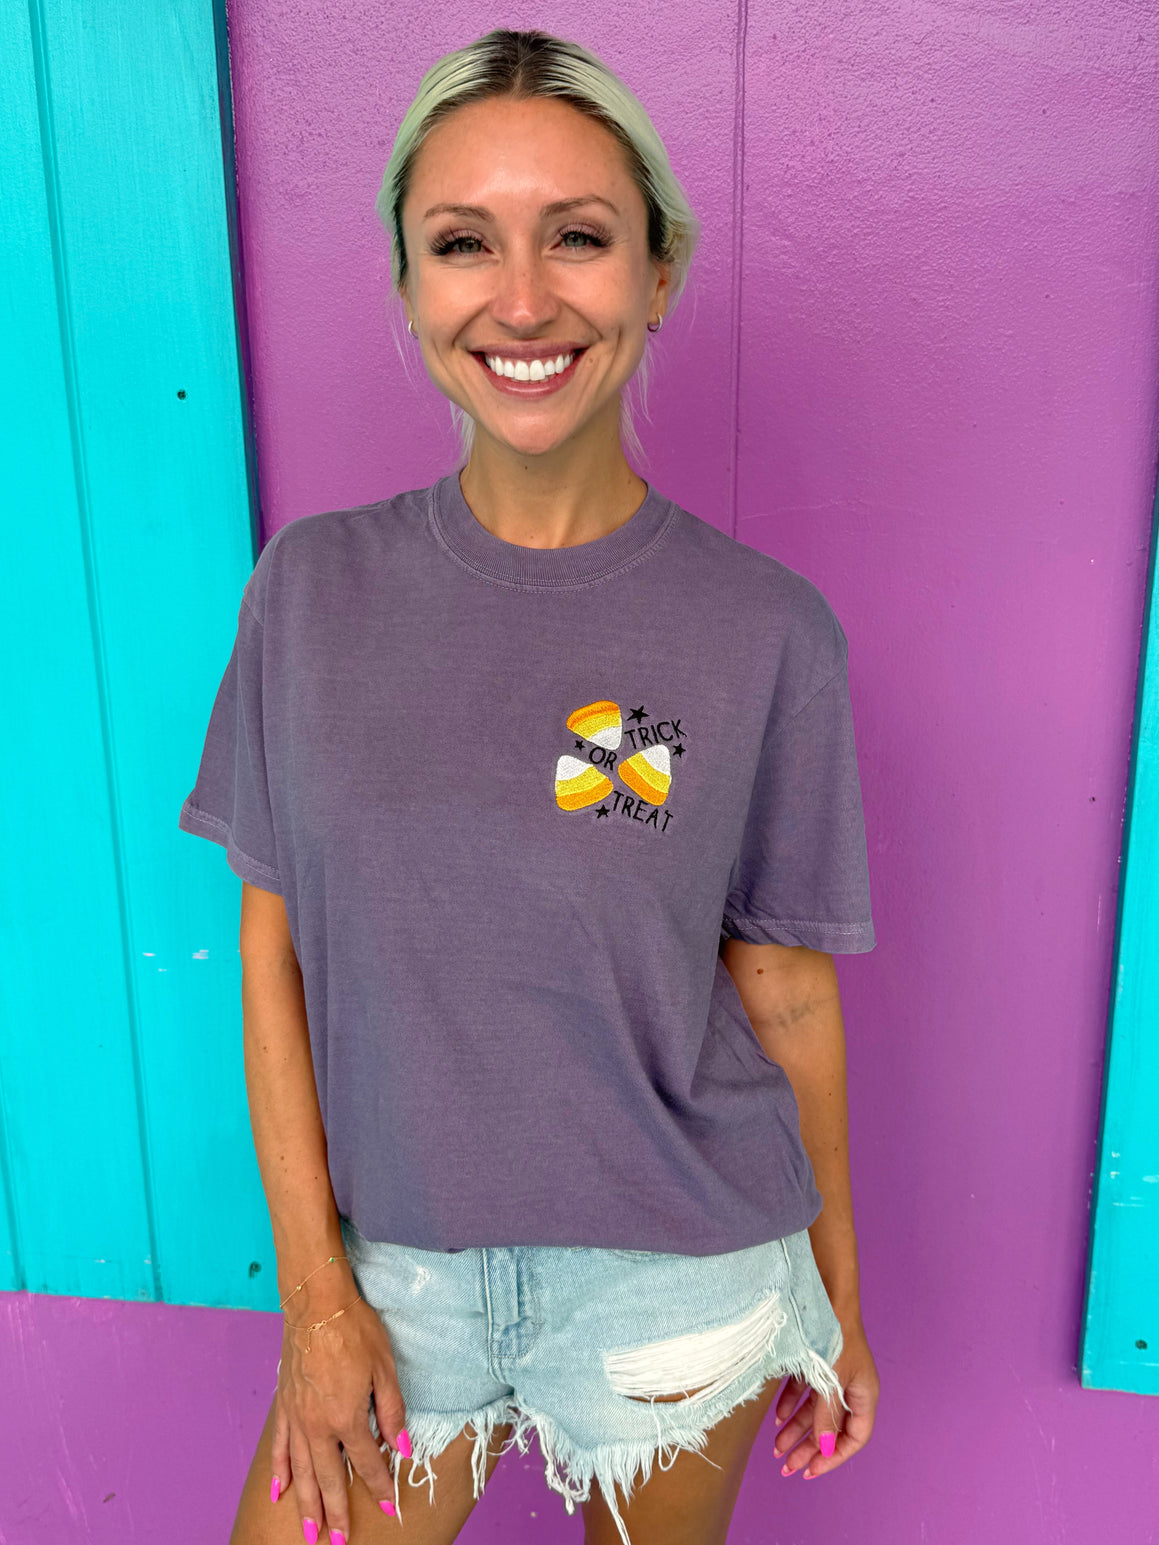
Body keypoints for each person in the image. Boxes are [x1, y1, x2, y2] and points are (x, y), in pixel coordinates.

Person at [179, 28, 881, 1545]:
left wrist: (835, 1299)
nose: (521, 299)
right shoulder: (311, 593)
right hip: (394, 1276)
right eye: (462, 243)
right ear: (407, 283)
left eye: (577, 236)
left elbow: (785, 992)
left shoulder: (766, 633)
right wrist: (317, 1299)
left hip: (677, 1280)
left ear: (656, 272)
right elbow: (271, 955)